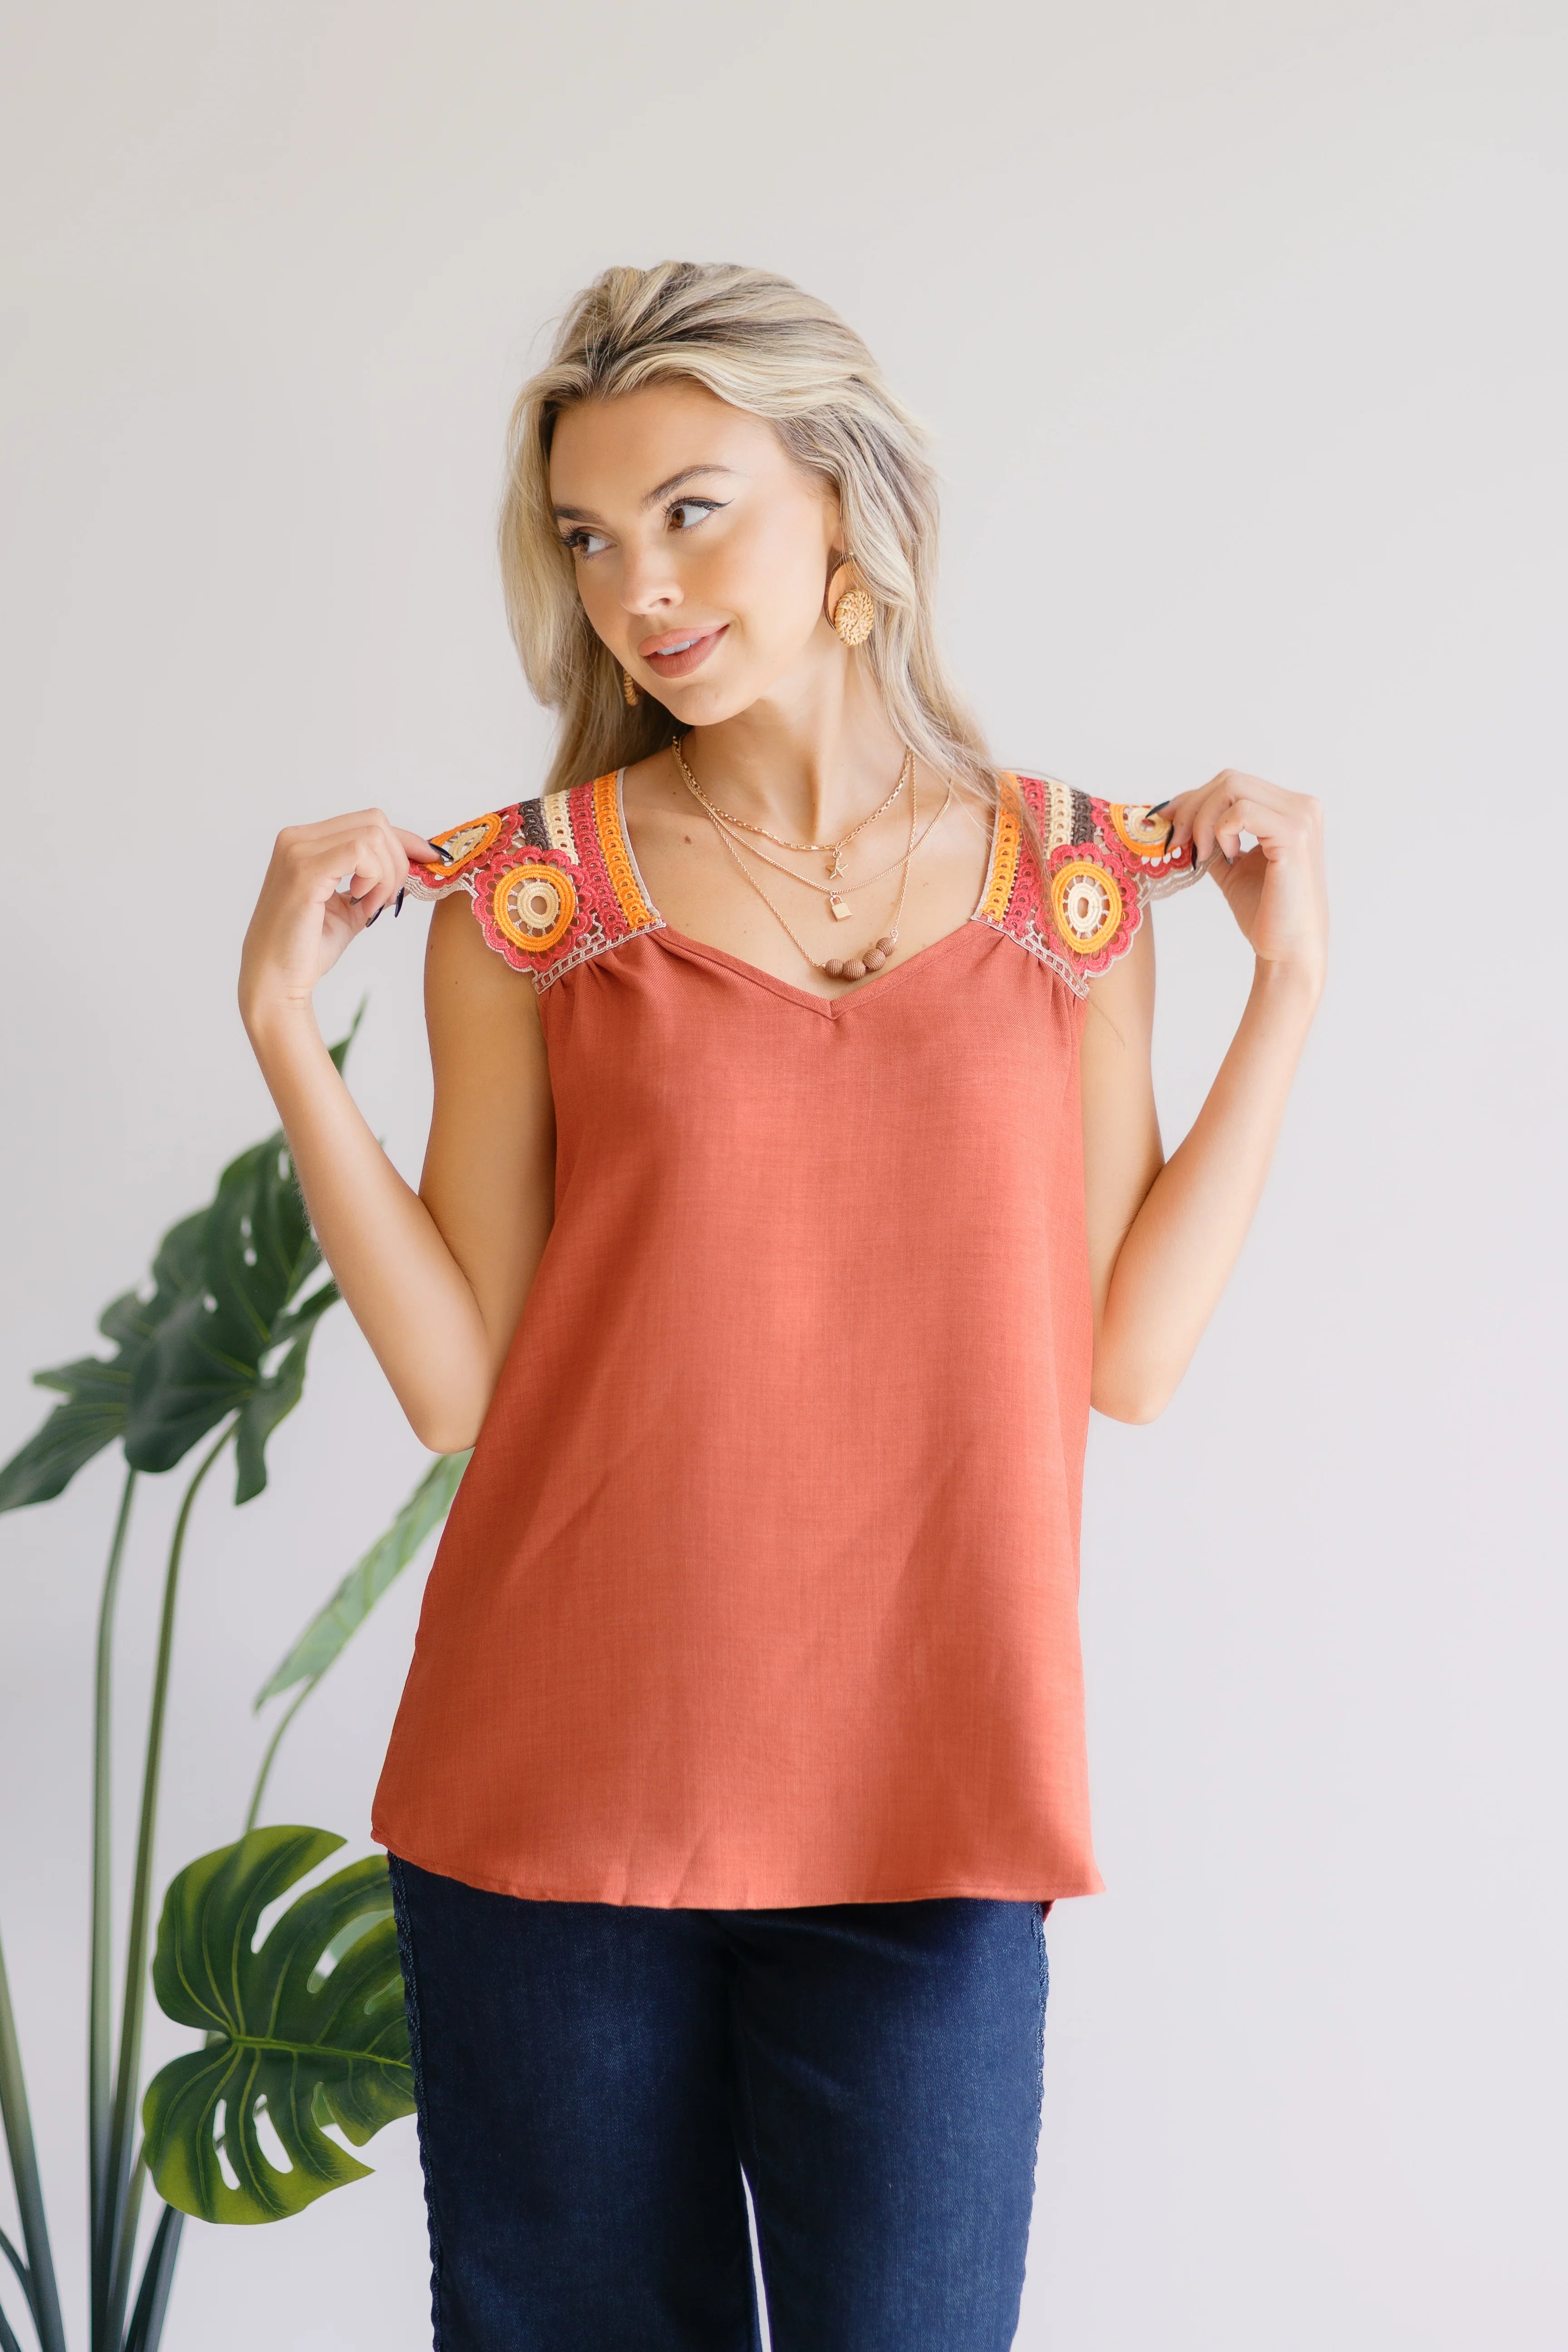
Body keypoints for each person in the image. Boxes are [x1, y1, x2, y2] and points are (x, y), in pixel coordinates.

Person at [238, 261, 1328, 2352]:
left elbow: (1128, 1351)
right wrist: (287, 1026)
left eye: (688, 508)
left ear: (841, 501)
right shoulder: (535, 907)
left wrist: (1288, 986)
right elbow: (461, 1385)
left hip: (928, 1791)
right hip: (555, 1796)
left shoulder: (1068, 890)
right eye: (586, 534)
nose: (635, 584)